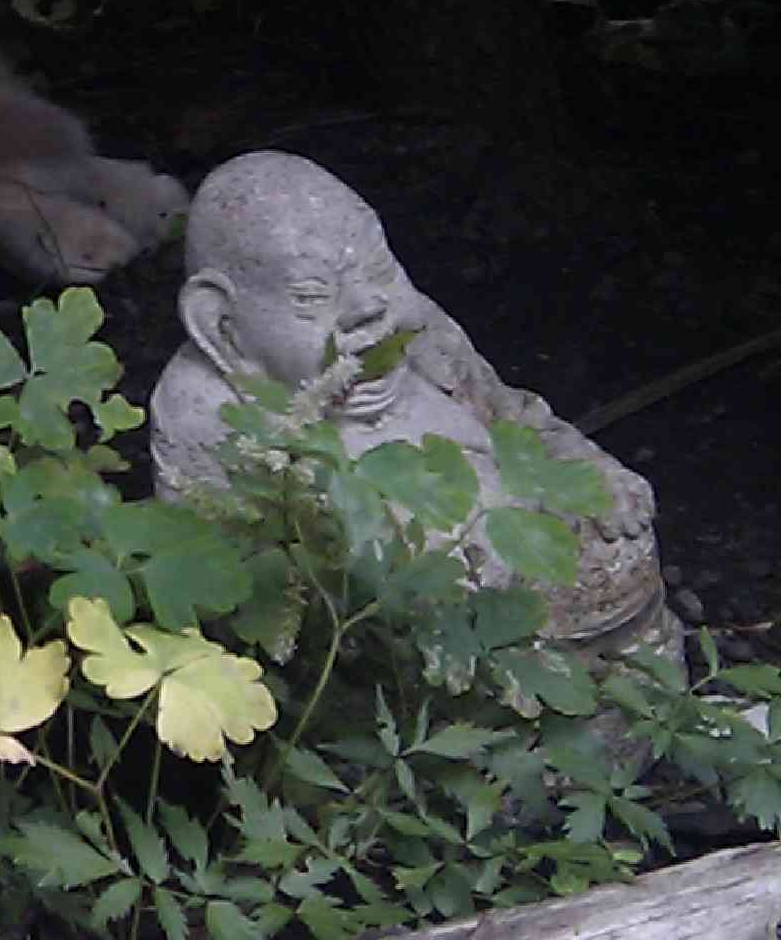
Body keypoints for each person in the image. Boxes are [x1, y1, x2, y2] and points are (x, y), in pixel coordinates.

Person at [149, 152, 671, 659]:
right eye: (312, 294)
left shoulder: (409, 326)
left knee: (620, 566)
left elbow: (510, 414)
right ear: (221, 326)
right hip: (399, 638)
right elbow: (239, 599)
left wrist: (581, 465)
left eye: (378, 269)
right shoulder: (202, 411)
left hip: (523, 548)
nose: (370, 308)